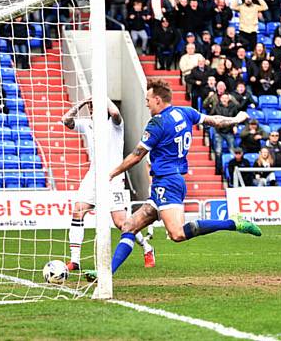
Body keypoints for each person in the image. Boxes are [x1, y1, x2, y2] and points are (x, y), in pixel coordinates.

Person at [83, 79, 259, 281]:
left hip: (168, 182)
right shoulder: (186, 112)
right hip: (164, 182)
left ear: (158, 100)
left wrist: (111, 173)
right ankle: (106, 275)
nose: (146, 103)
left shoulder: (158, 123)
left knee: (177, 234)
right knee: (129, 226)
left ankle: (232, 223)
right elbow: (217, 121)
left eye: (148, 100)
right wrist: (237, 119)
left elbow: (138, 154)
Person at [62, 98, 155, 271]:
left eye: (94, 105)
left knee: (122, 223)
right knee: (78, 211)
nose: (92, 109)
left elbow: (115, 113)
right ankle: (75, 261)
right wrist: (82, 102)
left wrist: (102, 97)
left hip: (113, 178)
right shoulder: (87, 124)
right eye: (90, 106)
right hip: (93, 177)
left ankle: (147, 247)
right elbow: (66, 120)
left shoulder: (114, 125)